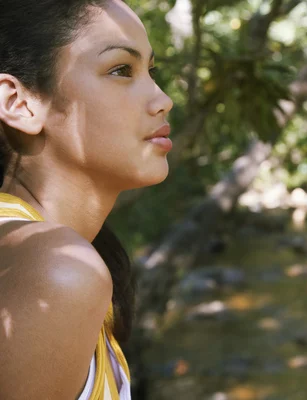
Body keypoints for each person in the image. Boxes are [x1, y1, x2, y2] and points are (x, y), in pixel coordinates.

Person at [0, 0, 174, 398]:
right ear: (19, 103)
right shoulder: (57, 271)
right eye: (120, 70)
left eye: (151, 70)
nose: (163, 99)